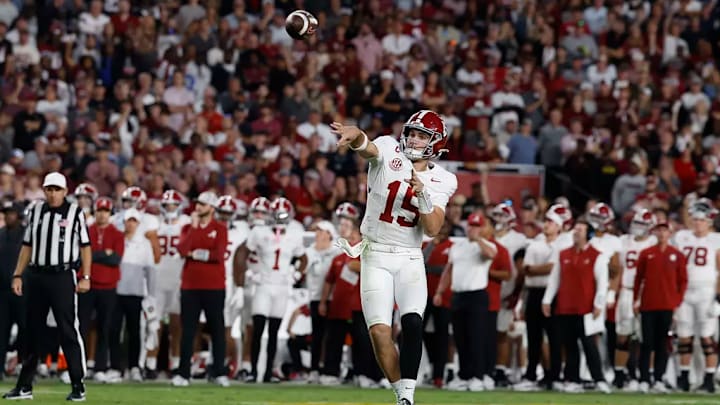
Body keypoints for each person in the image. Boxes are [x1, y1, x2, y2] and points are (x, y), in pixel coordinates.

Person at [331, 109, 457, 405]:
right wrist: (356, 136)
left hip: (409, 257)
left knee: (413, 323)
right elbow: (369, 148)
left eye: (421, 135)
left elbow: (433, 228)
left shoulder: (444, 180)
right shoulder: (389, 148)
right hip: (375, 253)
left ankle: (407, 397)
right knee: (379, 332)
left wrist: (423, 194)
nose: (413, 139)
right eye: (411, 132)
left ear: (435, 143)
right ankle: (400, 392)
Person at [3, 172, 91, 401]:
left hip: (62, 275)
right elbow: (27, 245)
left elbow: (85, 246)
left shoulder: (75, 212)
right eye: (49, 189)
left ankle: (77, 384)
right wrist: (18, 274)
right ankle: (25, 386)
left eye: (57, 189)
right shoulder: (36, 211)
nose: (53, 194)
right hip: (37, 275)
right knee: (31, 330)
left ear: (65, 191)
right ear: (44, 190)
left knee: (67, 329)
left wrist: (86, 276)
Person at [236, 198, 307, 383]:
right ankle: (253, 371)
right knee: (258, 329)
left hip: (282, 287)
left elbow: (304, 258)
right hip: (264, 285)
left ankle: (268, 373)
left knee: (274, 332)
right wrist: (250, 273)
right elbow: (242, 252)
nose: (280, 219)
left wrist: (296, 275)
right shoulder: (259, 232)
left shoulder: (294, 235)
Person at [542, 219, 611, 393]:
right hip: (565, 306)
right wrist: (547, 300)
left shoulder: (597, 255)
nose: (576, 232)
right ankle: (572, 379)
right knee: (569, 345)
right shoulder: (563, 254)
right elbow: (555, 279)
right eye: (575, 229)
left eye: (580, 230)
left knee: (589, 345)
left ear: (588, 234)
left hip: (586, 307)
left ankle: (599, 378)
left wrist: (598, 304)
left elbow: (602, 282)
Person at [172, 191, 229, 387]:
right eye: (198, 203)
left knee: (217, 330)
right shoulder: (188, 227)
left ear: (212, 208)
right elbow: (181, 250)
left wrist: (195, 253)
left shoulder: (220, 228)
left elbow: (218, 254)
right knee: (187, 330)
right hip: (190, 286)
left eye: (203, 204)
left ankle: (219, 372)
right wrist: (195, 230)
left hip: (214, 286)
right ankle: (183, 373)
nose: (198, 207)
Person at [514, 204, 571, 391]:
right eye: (546, 221)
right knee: (534, 337)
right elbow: (526, 270)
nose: (547, 225)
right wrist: (545, 268)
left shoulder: (563, 244)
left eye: (551, 222)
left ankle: (555, 375)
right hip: (534, 292)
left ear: (559, 226)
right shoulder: (535, 244)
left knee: (555, 337)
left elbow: (551, 268)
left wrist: (539, 269)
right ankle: (532, 375)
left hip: (553, 294)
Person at [671, 197, 720, 393]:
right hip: (684, 291)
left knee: (707, 338)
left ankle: (708, 378)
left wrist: (718, 296)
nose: (697, 223)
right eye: (695, 219)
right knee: (684, 337)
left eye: (702, 220)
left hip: (706, 291)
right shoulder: (682, 236)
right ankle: (684, 377)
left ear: (709, 221)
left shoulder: (716, 239)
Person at [634, 219, 687, 393]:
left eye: (665, 231)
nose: (662, 234)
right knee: (646, 342)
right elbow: (639, 278)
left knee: (663, 343)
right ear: (655, 233)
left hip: (667, 305)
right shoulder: (646, 253)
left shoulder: (677, 255)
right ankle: (643, 378)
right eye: (659, 231)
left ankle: (658, 377)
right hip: (648, 304)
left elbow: (682, 280)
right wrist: (636, 299)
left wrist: (676, 302)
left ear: (670, 233)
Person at [108, 208, 156, 383]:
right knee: (114, 330)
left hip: (135, 293)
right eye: (128, 220)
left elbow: (151, 272)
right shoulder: (118, 241)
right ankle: (115, 367)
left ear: (138, 223)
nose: (130, 224)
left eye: (134, 221)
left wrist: (151, 296)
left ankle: (134, 366)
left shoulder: (144, 244)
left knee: (134, 331)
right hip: (116, 291)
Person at [612, 209, 657, 390]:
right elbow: (617, 268)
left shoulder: (654, 242)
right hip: (626, 291)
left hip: (646, 293)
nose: (637, 228)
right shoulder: (623, 242)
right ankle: (620, 374)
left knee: (645, 338)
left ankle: (646, 374)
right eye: (636, 224)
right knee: (623, 336)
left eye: (642, 225)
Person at [146, 189, 189, 377]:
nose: (170, 208)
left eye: (173, 205)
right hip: (157, 277)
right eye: (167, 205)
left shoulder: (186, 223)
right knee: (154, 323)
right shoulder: (154, 222)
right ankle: (150, 363)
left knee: (177, 324)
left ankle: (176, 362)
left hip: (178, 277)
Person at [81, 197, 124, 383]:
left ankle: (100, 367)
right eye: (99, 210)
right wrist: (103, 254)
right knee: (81, 327)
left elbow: (116, 259)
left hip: (108, 287)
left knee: (104, 329)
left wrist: (94, 255)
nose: (102, 214)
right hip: (87, 284)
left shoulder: (117, 233)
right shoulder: (87, 230)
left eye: (105, 211)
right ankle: (78, 367)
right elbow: (80, 254)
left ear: (110, 213)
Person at [489, 203, 528, 387]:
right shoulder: (487, 236)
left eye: (502, 216)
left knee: (502, 332)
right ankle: (486, 367)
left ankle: (501, 369)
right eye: (496, 215)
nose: (499, 219)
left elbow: (521, 269)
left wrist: (516, 292)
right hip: (486, 288)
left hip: (507, 289)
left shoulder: (519, 239)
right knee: (485, 332)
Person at [235, 196, 271, 380]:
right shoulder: (241, 230)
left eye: (262, 213)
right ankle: (237, 364)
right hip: (242, 282)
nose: (258, 216)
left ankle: (248, 365)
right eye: (256, 212)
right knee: (236, 327)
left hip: (261, 283)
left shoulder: (272, 233)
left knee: (251, 328)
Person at [304, 215, 342, 383]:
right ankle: (314, 369)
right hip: (314, 296)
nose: (317, 233)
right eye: (317, 230)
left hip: (333, 299)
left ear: (329, 233)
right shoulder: (309, 251)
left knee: (333, 337)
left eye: (321, 230)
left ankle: (330, 370)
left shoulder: (337, 251)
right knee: (317, 335)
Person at [216, 195, 249, 377]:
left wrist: (240, 285)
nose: (225, 217)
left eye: (228, 213)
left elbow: (243, 259)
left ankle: (233, 363)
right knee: (216, 326)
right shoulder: (211, 229)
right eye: (222, 213)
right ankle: (217, 361)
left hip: (232, 281)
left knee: (230, 326)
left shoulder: (241, 232)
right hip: (214, 280)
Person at [421, 221, 453, 388]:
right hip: (423, 295)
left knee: (442, 336)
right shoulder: (427, 245)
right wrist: (432, 246)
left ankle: (439, 375)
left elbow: (447, 269)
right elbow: (420, 262)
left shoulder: (452, 246)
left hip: (444, 297)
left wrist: (430, 269)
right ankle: (427, 368)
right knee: (417, 331)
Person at [0, 201, 26, 378]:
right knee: (1, 332)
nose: (9, 216)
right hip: (2, 292)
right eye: (7, 213)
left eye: (12, 213)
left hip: (23, 292)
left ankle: (24, 367)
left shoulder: (27, 236)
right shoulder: (0, 235)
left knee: (25, 331)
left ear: (19, 215)